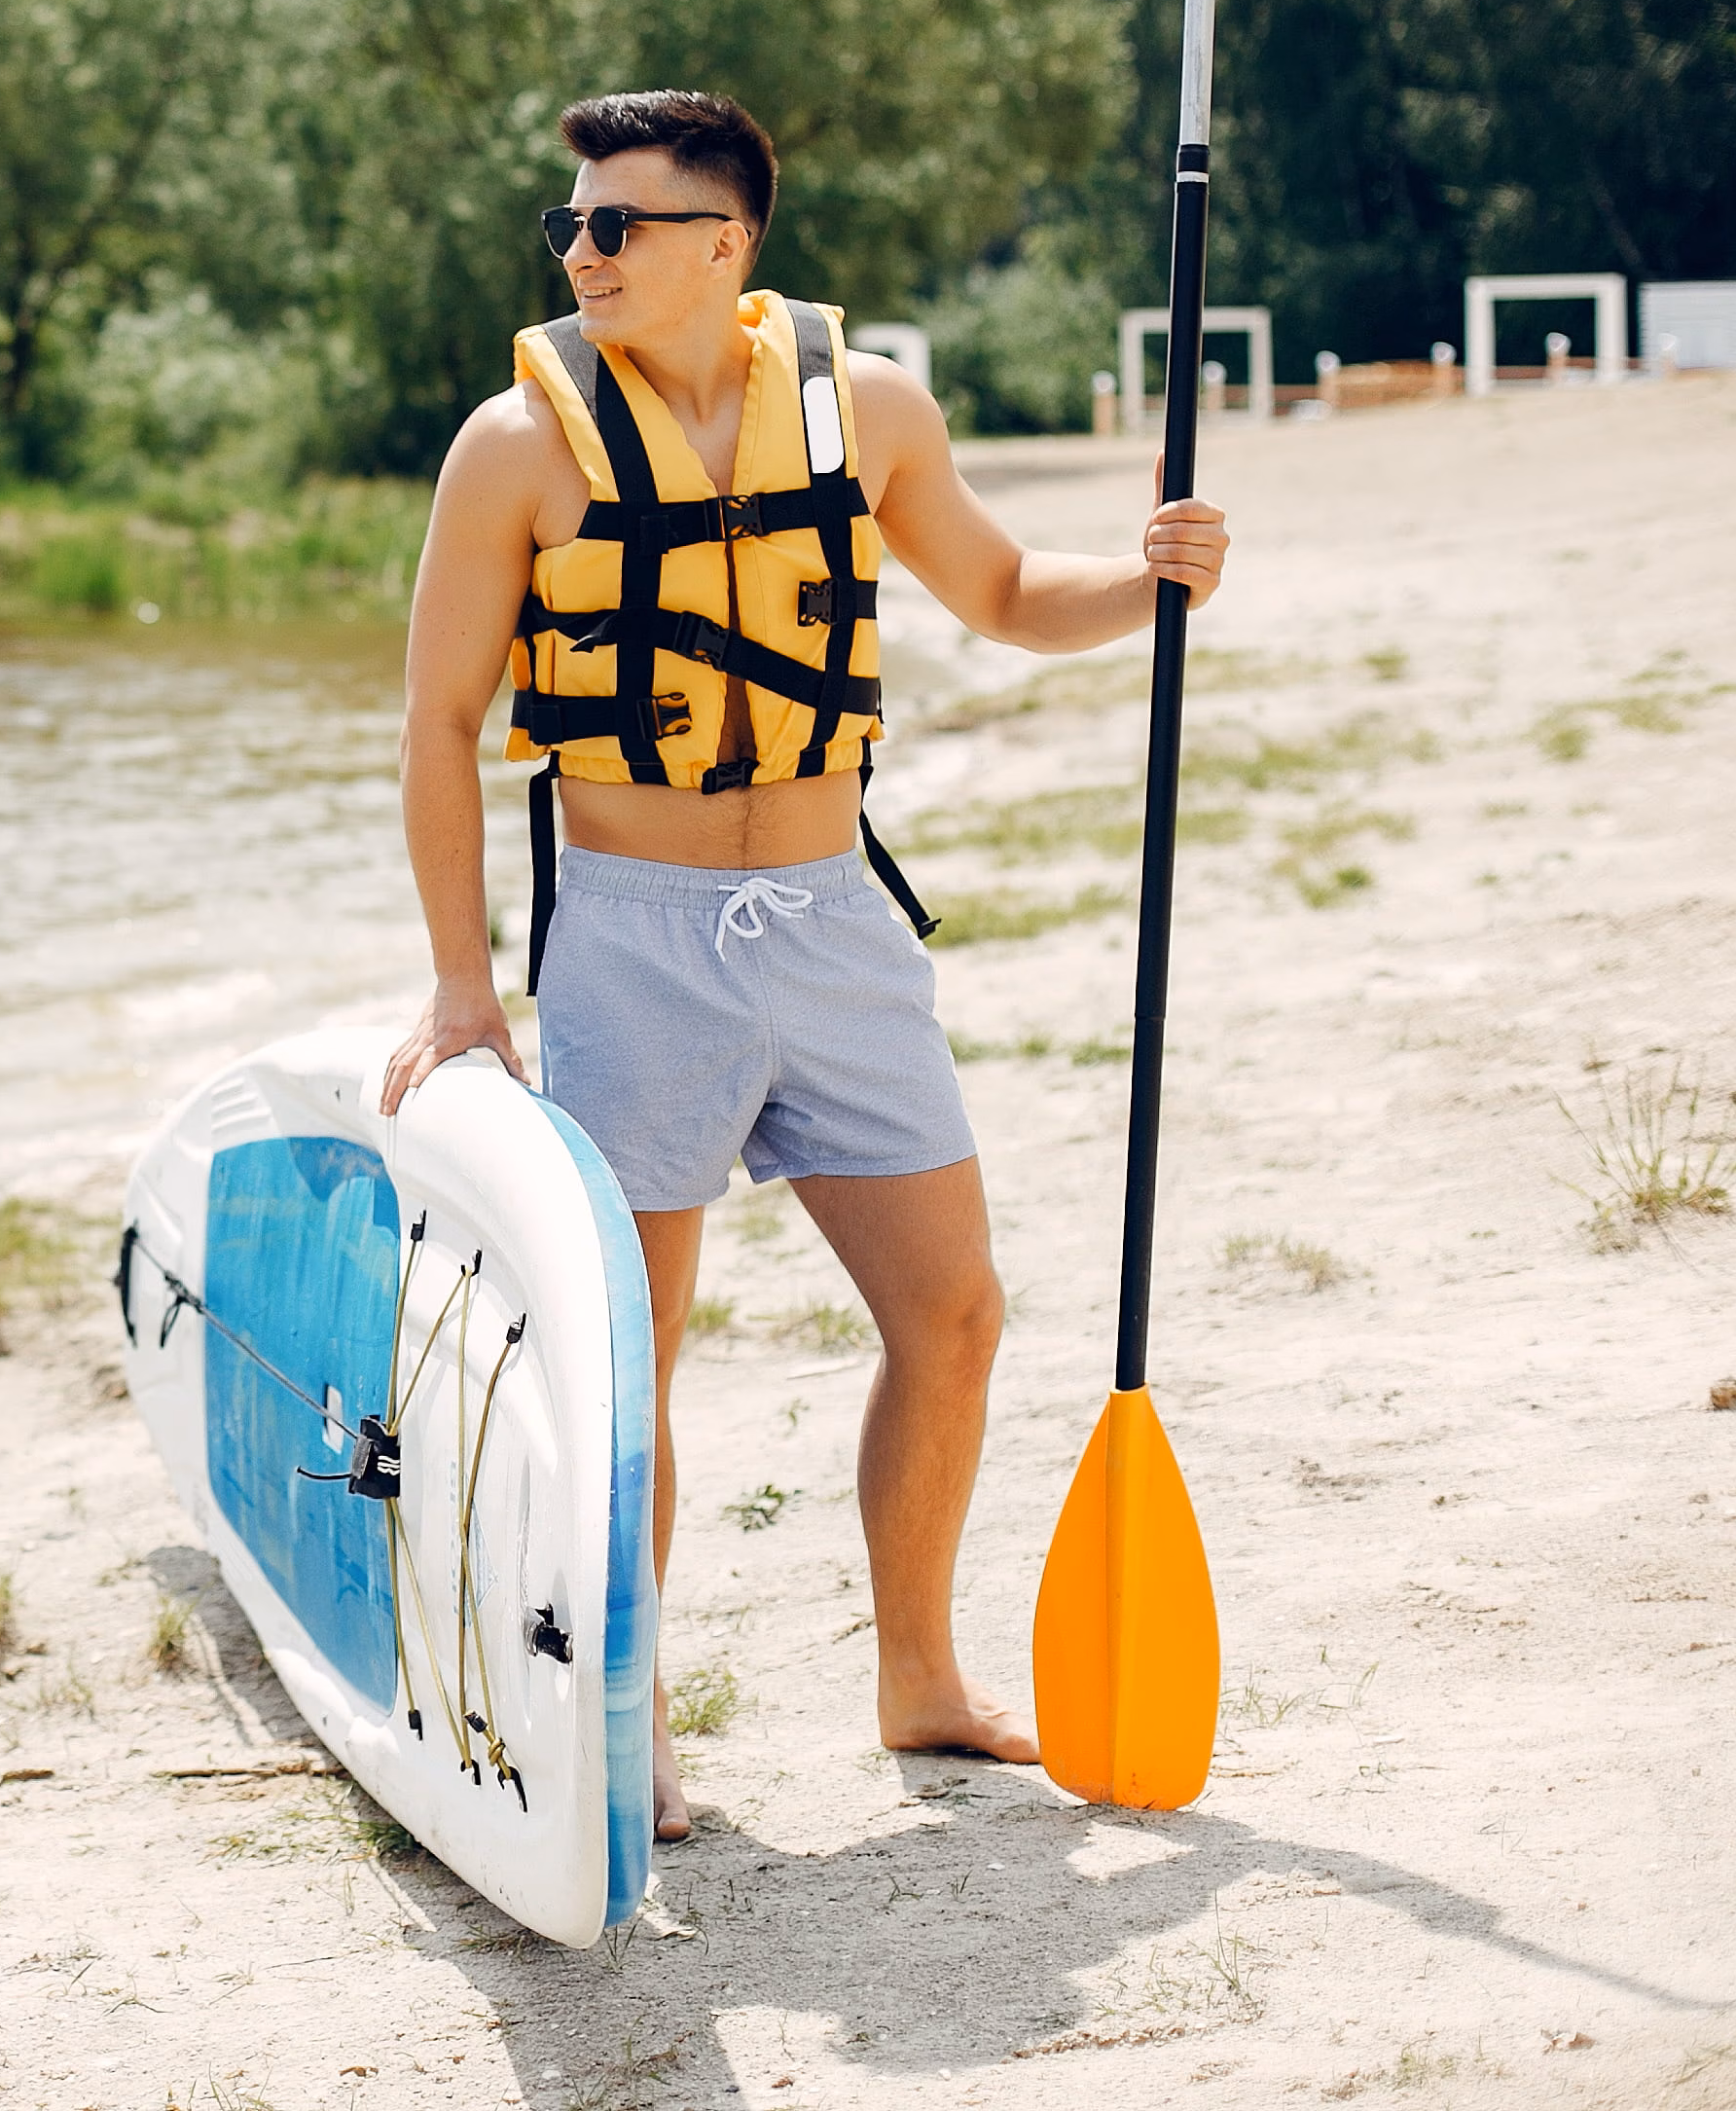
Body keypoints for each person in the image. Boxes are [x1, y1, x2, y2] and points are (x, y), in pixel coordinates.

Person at [377, 89, 1230, 1841]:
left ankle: (916, 1675)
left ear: (727, 243)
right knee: (638, 1355)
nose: (583, 253)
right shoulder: (513, 449)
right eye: (573, 226)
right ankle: (634, 1718)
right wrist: (467, 991)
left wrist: (1148, 578)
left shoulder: (871, 412)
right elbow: (439, 728)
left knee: (956, 1314)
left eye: (619, 225)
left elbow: (999, 591)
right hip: (633, 948)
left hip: (836, 928)